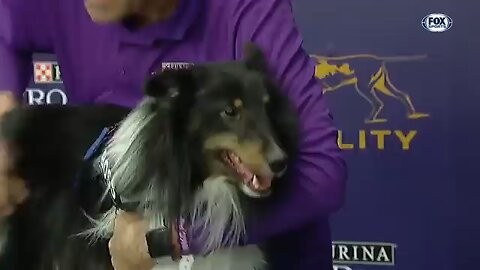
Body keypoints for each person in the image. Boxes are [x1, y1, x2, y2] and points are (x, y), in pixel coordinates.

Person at [0, 0, 347, 269]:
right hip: (119, 245)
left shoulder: (246, 9)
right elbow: (6, 26)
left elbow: (323, 175)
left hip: (254, 251)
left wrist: (170, 238)